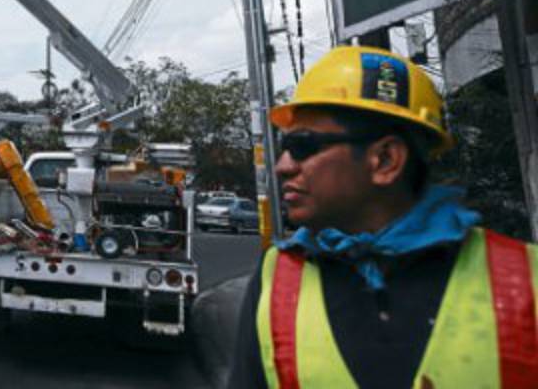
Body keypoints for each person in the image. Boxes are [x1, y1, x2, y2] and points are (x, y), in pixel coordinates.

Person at [227, 45, 538, 389]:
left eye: (303, 146)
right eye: (284, 147)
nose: (283, 166)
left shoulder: (524, 281)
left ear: (386, 160)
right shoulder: (277, 281)